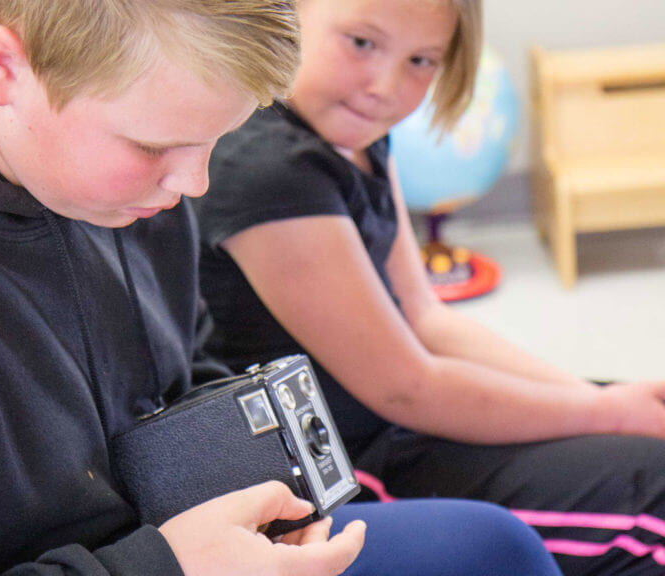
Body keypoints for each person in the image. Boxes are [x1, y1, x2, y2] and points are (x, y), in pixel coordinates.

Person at [0, 2, 566, 575]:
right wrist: (168, 564)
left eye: (214, 141)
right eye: (157, 147)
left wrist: (263, 492)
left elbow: (185, 370)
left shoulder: (128, 183)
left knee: (493, 549)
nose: (196, 186)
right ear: (3, 68)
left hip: (177, 541)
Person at [192, 0, 665, 574]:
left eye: (421, 60)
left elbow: (426, 318)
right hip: (346, 473)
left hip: (403, 424)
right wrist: (608, 415)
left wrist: (602, 400)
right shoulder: (265, 169)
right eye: (361, 43)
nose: (386, 86)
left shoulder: (357, 134)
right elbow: (406, 387)